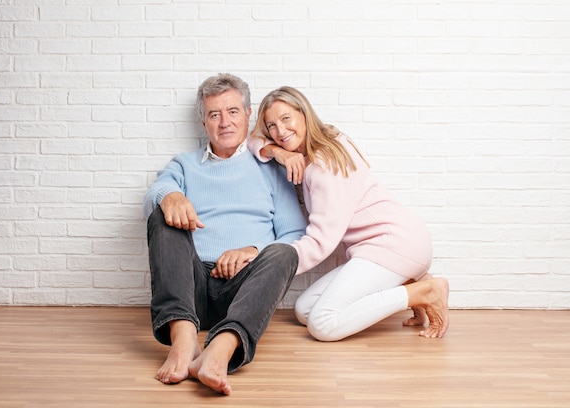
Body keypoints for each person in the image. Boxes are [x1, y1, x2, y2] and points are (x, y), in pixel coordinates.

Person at [143, 74, 307, 395]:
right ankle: (184, 340)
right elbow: (154, 192)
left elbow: (294, 234)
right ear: (204, 123)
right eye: (214, 114)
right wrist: (169, 196)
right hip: (190, 287)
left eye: (233, 111)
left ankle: (221, 348)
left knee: (285, 253)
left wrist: (252, 250)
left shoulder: (271, 168)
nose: (224, 122)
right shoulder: (185, 164)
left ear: (248, 114)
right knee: (161, 213)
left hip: (244, 290)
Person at [248, 86, 450, 342]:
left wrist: (269, 267)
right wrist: (279, 152)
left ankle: (422, 292)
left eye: (286, 119)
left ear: (304, 114)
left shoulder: (322, 167)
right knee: (304, 310)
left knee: (321, 324)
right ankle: (409, 285)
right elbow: (251, 139)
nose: (280, 131)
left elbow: (320, 243)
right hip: (381, 246)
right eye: (272, 125)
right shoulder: (327, 138)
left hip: (395, 245)